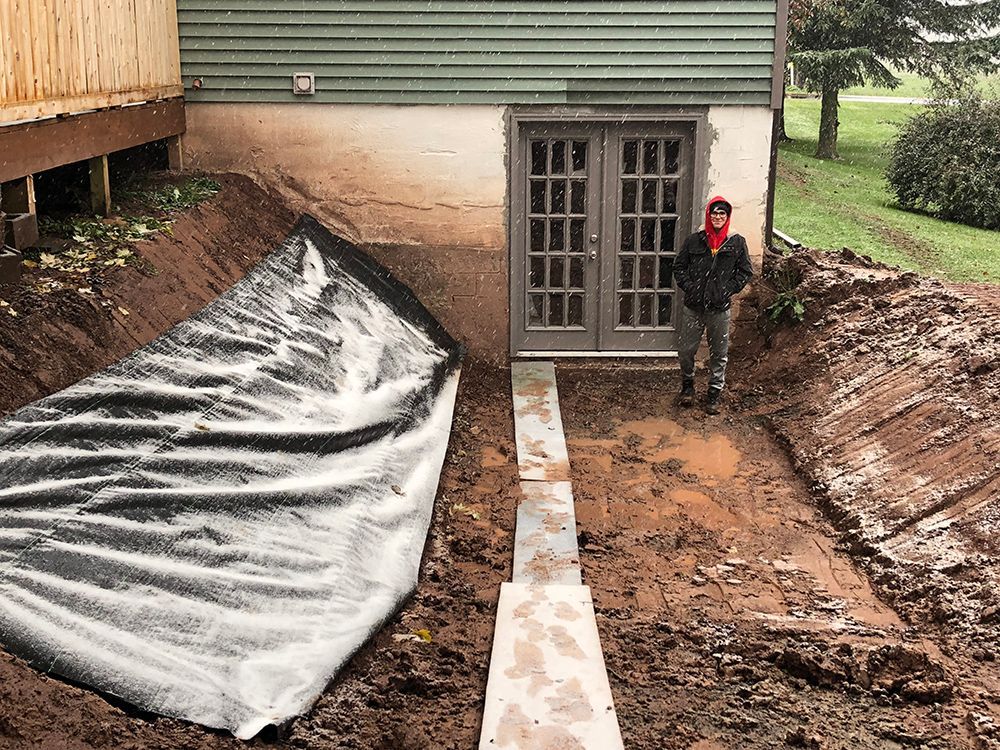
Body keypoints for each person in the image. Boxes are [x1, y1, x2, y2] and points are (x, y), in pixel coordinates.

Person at [672, 196, 754, 415]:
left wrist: (727, 290)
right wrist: (690, 287)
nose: (717, 217)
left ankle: (714, 393)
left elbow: (745, 271)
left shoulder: (736, 242)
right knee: (686, 350)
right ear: (708, 215)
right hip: (693, 307)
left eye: (722, 214)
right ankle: (687, 386)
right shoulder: (694, 240)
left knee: (719, 353)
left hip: (720, 309)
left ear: (727, 217)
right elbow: (679, 267)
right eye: (714, 213)